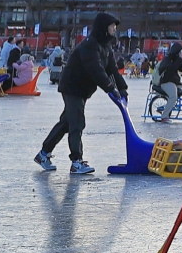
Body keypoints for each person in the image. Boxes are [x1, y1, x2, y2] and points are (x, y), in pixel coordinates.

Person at [39, 14, 123, 172]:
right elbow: (95, 70)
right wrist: (110, 88)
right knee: (77, 122)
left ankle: (43, 154)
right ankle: (76, 162)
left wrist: (122, 89)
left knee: (66, 122)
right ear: (103, 27)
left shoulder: (106, 46)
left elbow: (112, 69)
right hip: (72, 87)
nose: (114, 29)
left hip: (82, 90)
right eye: (112, 26)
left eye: (115, 27)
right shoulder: (89, 45)